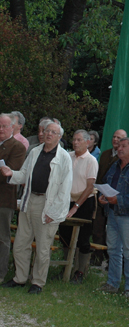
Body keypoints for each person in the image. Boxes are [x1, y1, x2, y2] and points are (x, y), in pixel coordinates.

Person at [1, 120, 72, 293]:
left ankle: (38, 282)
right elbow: (25, 174)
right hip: (29, 200)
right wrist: (12, 174)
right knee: (20, 244)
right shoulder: (35, 152)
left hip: (48, 204)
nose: (48, 134)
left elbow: (65, 188)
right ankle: (20, 278)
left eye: (53, 132)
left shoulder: (64, 158)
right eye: (47, 131)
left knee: (42, 247)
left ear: (60, 137)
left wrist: (53, 212)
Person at [99, 137, 129, 297]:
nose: (119, 149)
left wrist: (119, 200)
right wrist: (103, 196)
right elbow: (106, 183)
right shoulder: (114, 165)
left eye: (123, 146)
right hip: (112, 213)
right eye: (118, 146)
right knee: (113, 249)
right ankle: (112, 283)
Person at [59, 130, 98, 283]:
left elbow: (90, 187)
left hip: (84, 202)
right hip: (66, 200)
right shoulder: (68, 157)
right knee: (65, 235)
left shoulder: (91, 161)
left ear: (87, 142)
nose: (75, 143)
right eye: (74, 139)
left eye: (79, 140)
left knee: (82, 238)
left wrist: (76, 206)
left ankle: (80, 271)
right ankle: (66, 268)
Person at [92, 128, 127, 260]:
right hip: (101, 195)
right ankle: (97, 257)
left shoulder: (125, 157)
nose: (115, 140)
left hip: (115, 198)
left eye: (119, 138)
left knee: (113, 232)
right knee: (97, 228)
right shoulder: (106, 154)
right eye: (114, 137)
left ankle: (110, 259)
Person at [0, 113, 26, 283]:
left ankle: (1, 273)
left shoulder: (17, 147)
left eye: (4, 126)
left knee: (2, 238)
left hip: (3, 199)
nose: (1, 129)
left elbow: (9, 173)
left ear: (13, 128)